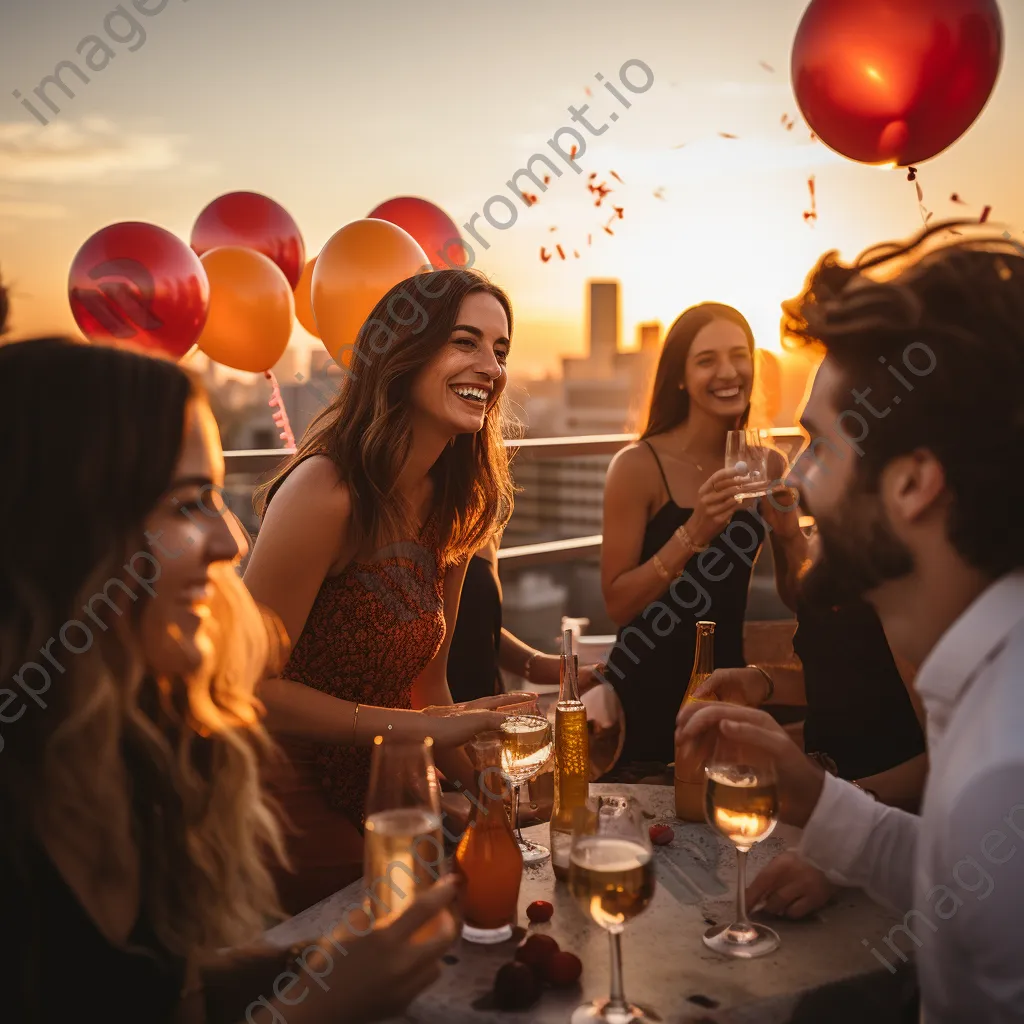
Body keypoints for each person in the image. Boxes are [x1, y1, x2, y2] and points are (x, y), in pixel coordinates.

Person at [0, 337, 460, 1024]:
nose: (231, 541)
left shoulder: (147, 760)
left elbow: (148, 991)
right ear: (64, 532)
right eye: (187, 504)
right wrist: (307, 1011)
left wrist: (314, 962)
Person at [676, 223, 1024, 1022]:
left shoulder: (1004, 765)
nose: (796, 477)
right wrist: (817, 798)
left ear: (913, 485)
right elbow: (962, 884)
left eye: (820, 446)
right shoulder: (982, 674)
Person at [244, 269, 517, 914]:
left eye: (500, 351)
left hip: (394, 788)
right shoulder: (325, 491)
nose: (491, 367)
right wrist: (412, 731)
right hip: (284, 793)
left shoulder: (461, 504)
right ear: (402, 354)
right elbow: (251, 687)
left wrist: (492, 794)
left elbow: (430, 688)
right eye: (465, 342)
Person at [694, 494, 928, 919]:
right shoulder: (843, 552)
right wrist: (762, 681)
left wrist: (841, 825)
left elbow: (942, 759)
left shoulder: (902, 577)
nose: (798, 473)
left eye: (820, 443)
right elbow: (851, 676)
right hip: (825, 818)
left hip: (894, 841)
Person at [599, 303, 785, 766]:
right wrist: (695, 528)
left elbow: (792, 590)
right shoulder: (637, 466)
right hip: (643, 688)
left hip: (724, 691)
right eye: (706, 360)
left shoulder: (769, 465)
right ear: (680, 376)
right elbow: (618, 604)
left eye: (739, 355)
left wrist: (795, 536)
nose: (728, 372)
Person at [447, 532, 602, 702]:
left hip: (484, 713)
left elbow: (475, 624)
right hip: (438, 715)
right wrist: (451, 720)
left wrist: (549, 668)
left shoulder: (482, 526)